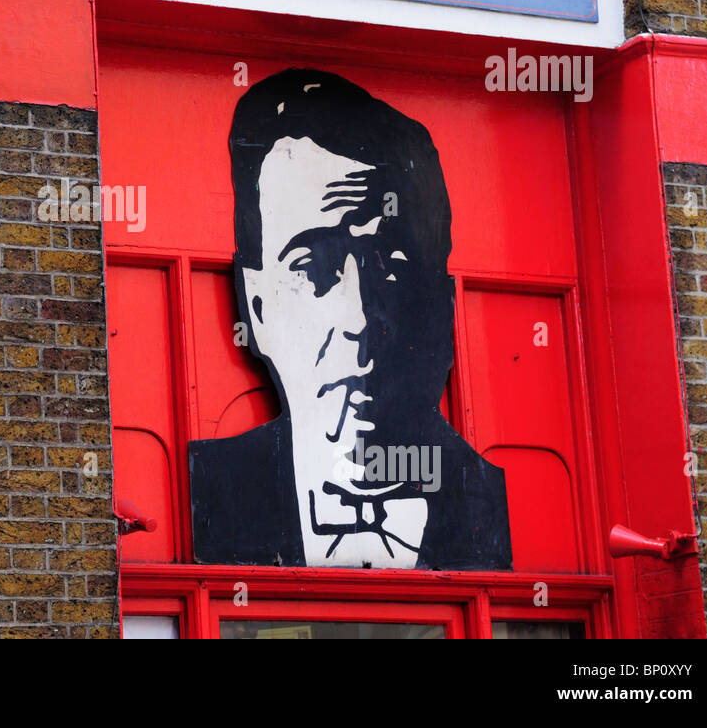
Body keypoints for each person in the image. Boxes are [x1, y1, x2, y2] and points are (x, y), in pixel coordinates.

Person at [188, 68, 512, 570]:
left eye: (394, 267)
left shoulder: (490, 501)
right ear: (256, 308)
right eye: (315, 267)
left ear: (443, 306)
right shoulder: (211, 491)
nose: (359, 319)